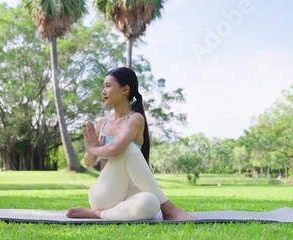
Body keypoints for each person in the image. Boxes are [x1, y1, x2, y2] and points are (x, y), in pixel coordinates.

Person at [66, 67, 196, 221]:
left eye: (108, 86)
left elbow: (116, 149)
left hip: (133, 193)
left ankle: (98, 215)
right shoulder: (102, 123)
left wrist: (95, 148)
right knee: (127, 148)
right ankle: (168, 208)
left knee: (151, 203)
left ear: (125, 89)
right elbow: (89, 161)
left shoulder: (135, 119)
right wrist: (91, 150)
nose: (103, 91)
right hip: (106, 193)